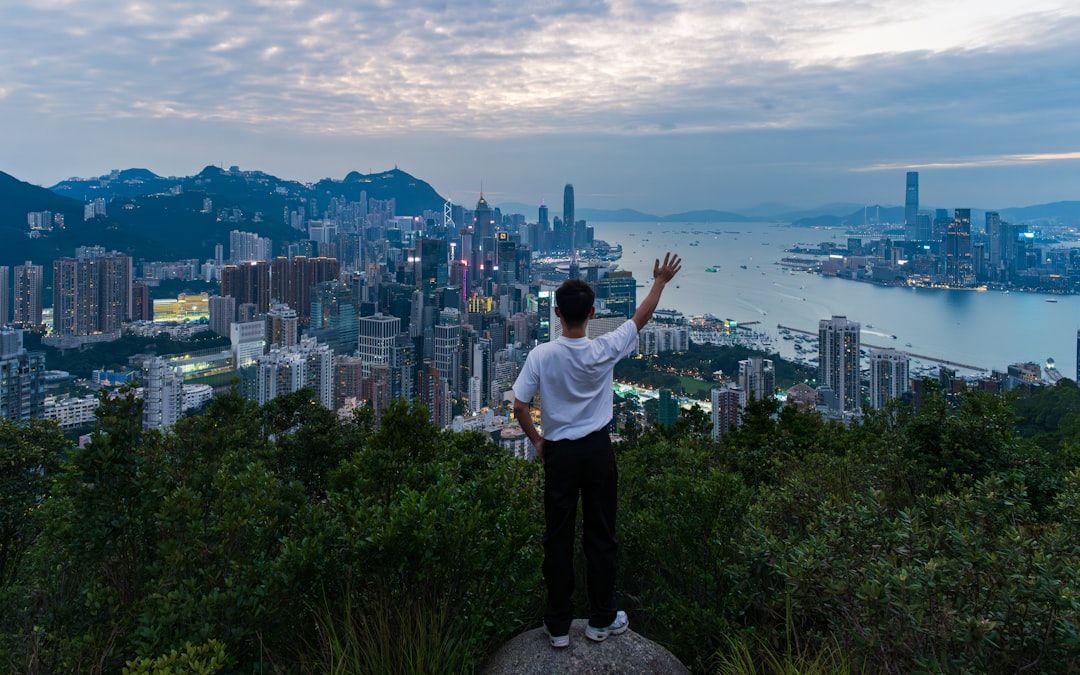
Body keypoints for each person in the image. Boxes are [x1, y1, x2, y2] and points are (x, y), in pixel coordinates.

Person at [512, 252, 682, 648]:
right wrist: (659, 282)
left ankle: (557, 625)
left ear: (557, 313)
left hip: (558, 454)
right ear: (590, 313)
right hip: (597, 452)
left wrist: (538, 442)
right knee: (600, 534)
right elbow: (640, 318)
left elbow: (519, 407)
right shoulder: (604, 349)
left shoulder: (541, 355)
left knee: (557, 537)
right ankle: (601, 620)